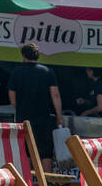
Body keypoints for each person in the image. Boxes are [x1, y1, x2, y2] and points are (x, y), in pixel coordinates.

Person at [8, 43, 64, 171]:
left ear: (23, 56)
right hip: (44, 118)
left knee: (25, 152)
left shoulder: (16, 72)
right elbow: (55, 95)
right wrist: (59, 117)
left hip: (23, 119)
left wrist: (19, 108)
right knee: (46, 153)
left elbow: (12, 97)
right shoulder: (47, 71)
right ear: (37, 56)